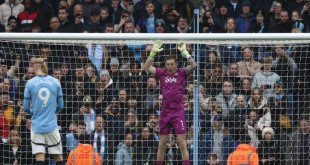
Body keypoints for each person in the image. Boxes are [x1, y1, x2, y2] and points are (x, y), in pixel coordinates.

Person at [144, 40, 196, 165]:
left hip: (178, 112)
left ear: (176, 64)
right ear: (165, 65)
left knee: (182, 143)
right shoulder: (162, 74)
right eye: (168, 64)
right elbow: (146, 67)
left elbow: (194, 65)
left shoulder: (182, 73)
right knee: (162, 143)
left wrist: (185, 52)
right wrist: (152, 53)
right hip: (165, 112)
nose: (170, 66)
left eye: (172, 64)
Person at [23, 58, 64, 165]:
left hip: (37, 126)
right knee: (58, 156)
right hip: (51, 125)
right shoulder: (55, 81)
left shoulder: (30, 83)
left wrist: (34, 111)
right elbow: (61, 105)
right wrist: (51, 112)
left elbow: (26, 107)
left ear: (36, 67)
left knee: (40, 157)